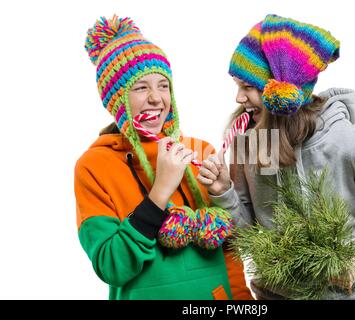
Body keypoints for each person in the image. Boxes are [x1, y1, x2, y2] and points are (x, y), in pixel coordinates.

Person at [197, 14, 355, 300]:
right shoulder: (250, 142)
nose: (239, 98)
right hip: (275, 295)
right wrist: (224, 193)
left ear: (280, 91)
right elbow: (248, 231)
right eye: (237, 86)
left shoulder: (347, 142)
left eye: (248, 87)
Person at [75, 15, 252, 300]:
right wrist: (160, 192)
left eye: (163, 85)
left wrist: (223, 193)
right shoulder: (93, 166)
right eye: (141, 87)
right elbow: (111, 266)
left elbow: (233, 249)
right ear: (116, 100)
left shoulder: (200, 152)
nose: (157, 98)